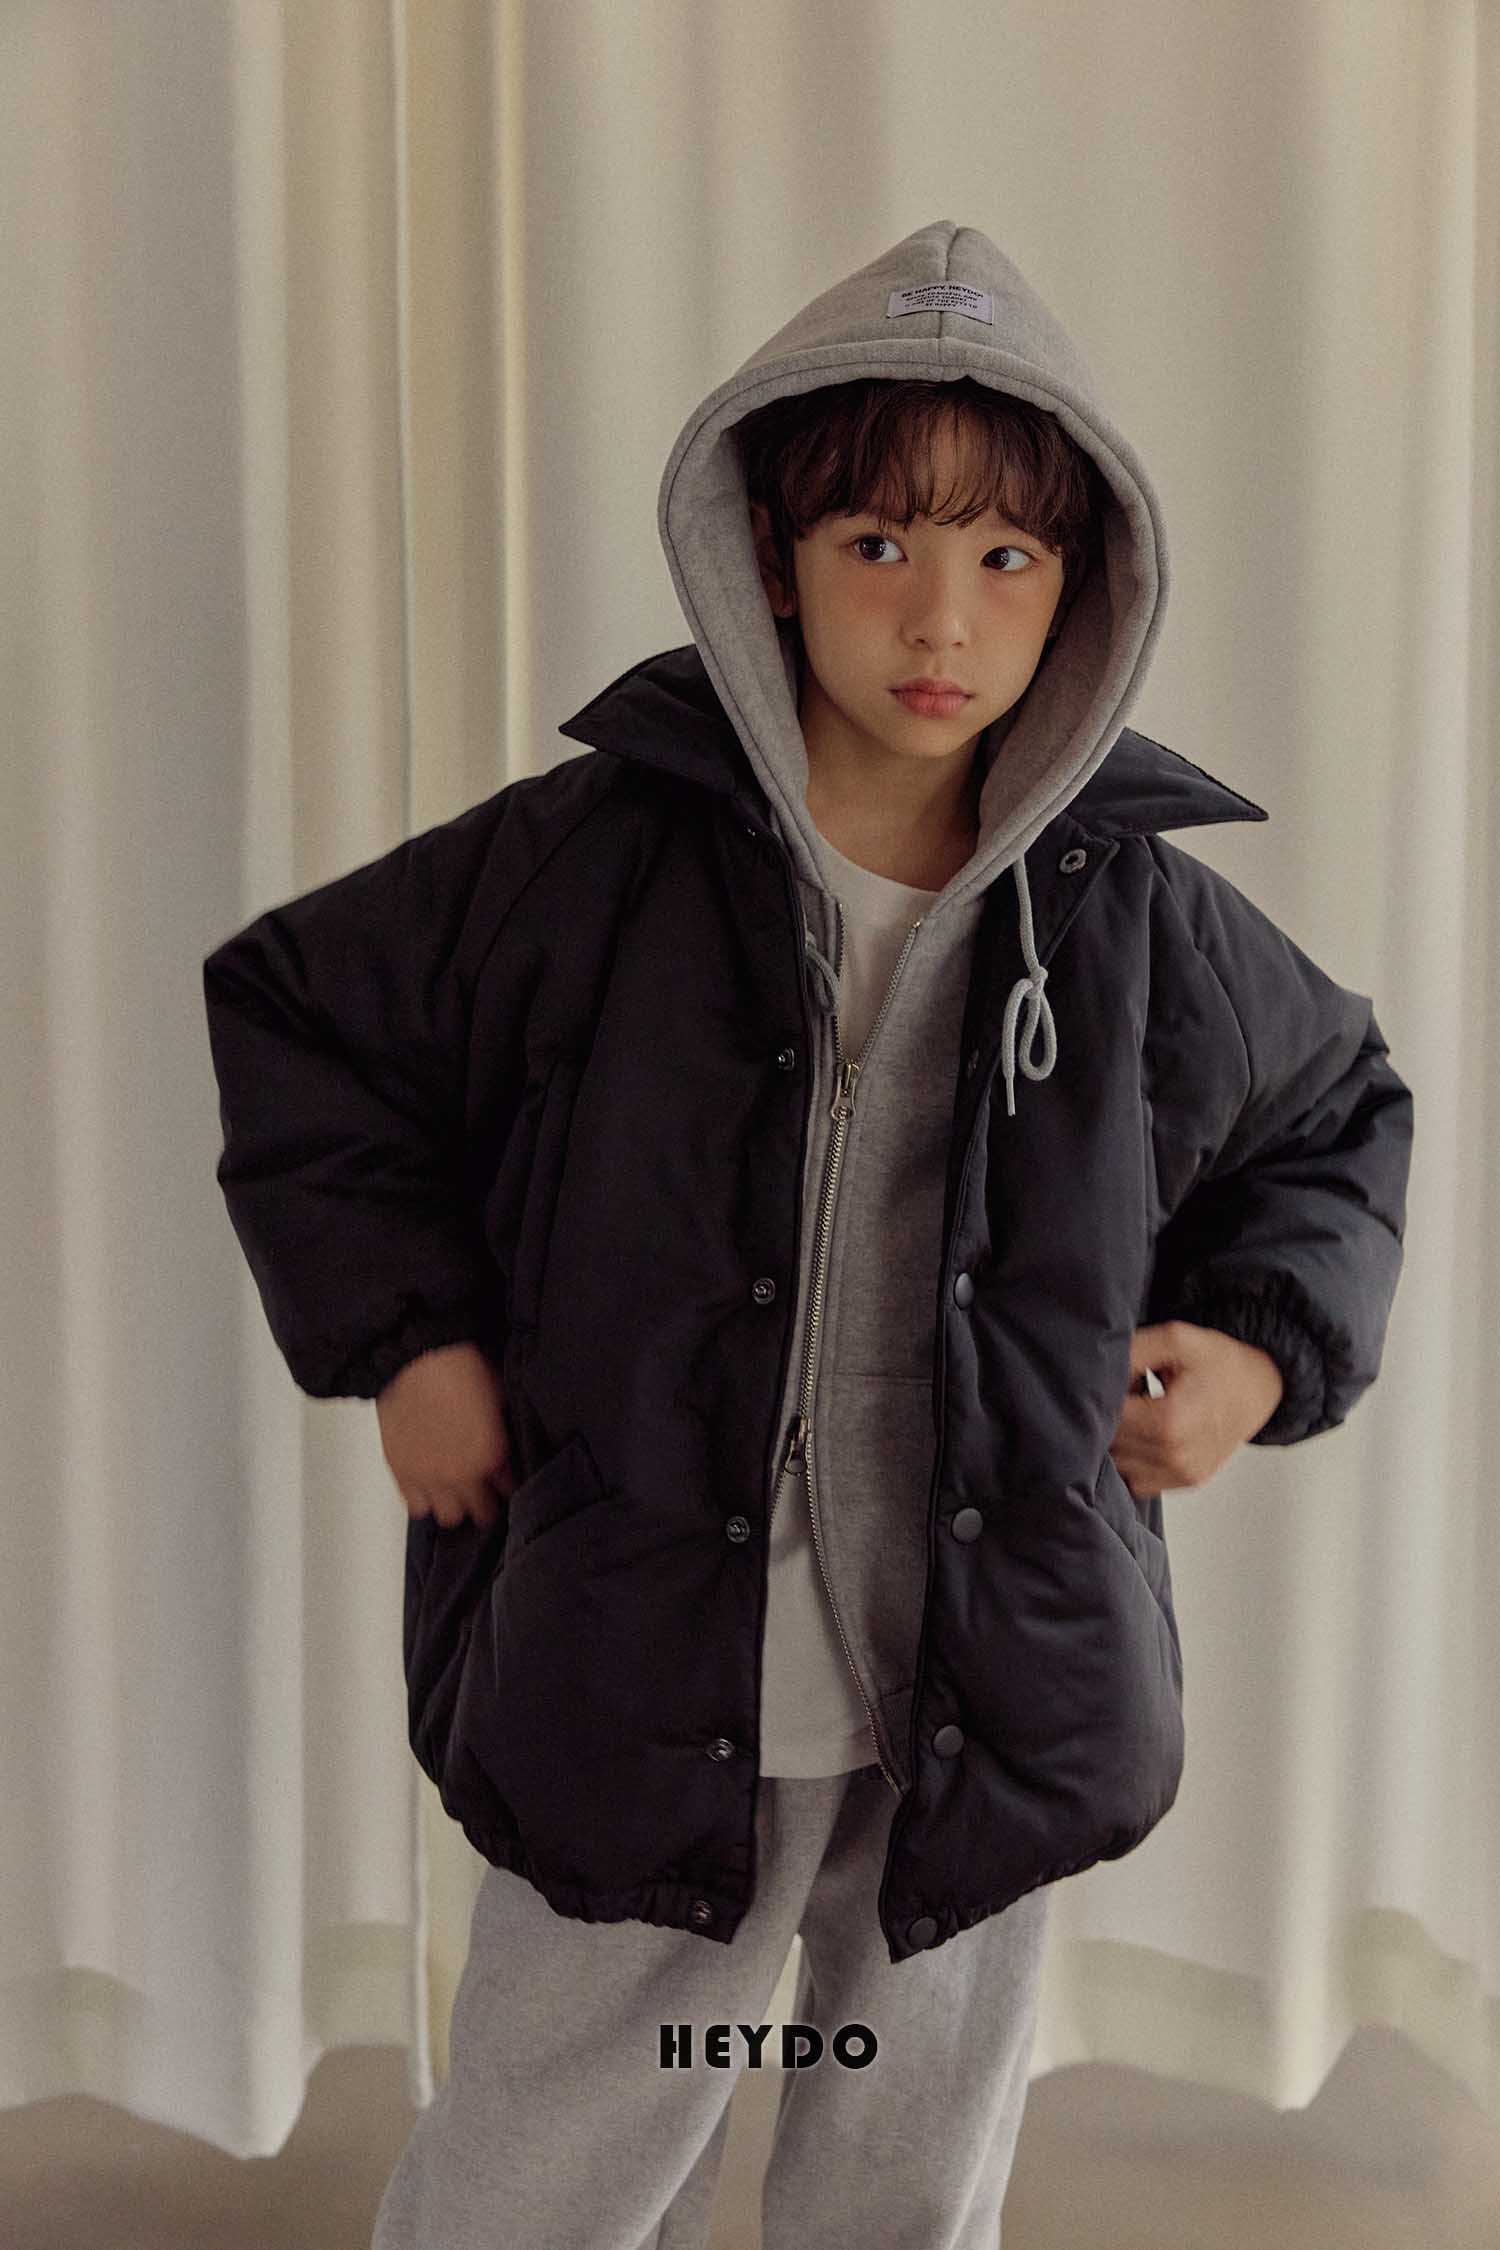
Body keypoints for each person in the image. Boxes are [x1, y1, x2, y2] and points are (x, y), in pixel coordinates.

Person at [201, 219, 1413, 2249]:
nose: (941, 613)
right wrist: (408, 1335)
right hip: (643, 1644)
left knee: (908, 2164)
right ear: (766, 555)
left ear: (1086, 588)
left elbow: (1335, 1114)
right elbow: (304, 1014)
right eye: (878, 542)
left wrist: (1257, 1348)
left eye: (1005, 557)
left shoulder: (1128, 914)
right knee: (554, 2148)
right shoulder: (589, 864)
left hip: (990, 1674)